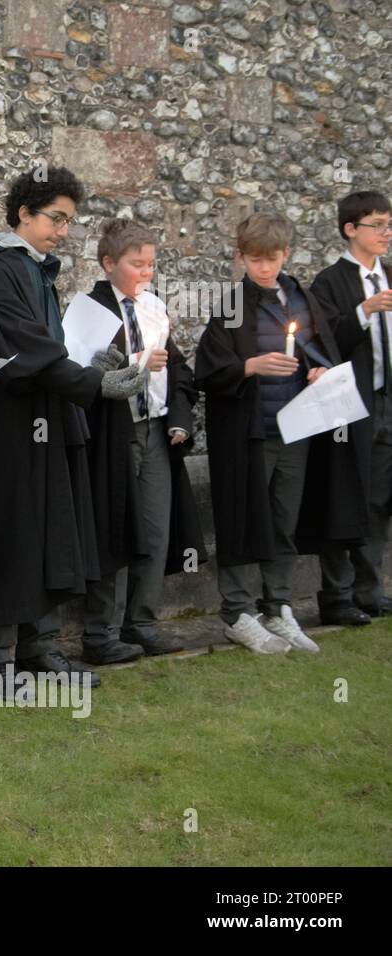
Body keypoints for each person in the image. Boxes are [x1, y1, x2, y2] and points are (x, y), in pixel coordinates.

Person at [0, 167, 146, 691]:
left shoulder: (35, 270)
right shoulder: (1, 272)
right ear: (23, 213)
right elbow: (26, 352)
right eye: (56, 218)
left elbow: (52, 346)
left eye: (69, 221)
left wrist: (92, 362)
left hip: (43, 424)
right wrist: (93, 383)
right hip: (7, 429)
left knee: (48, 535)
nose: (63, 230)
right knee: (11, 538)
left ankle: (40, 651)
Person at [194, 213, 342, 654]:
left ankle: (278, 607)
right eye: (254, 259)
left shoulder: (302, 298)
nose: (263, 268)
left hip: (296, 427)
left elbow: (323, 349)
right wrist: (250, 366)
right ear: (240, 256)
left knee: (283, 521)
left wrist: (321, 372)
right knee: (241, 518)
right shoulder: (232, 304)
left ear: (286, 255)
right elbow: (207, 370)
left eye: (271, 259)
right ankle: (238, 613)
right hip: (249, 432)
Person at [80, 219, 204, 665]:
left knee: (155, 528)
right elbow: (84, 373)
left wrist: (180, 419)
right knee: (113, 528)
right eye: (137, 265)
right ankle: (101, 632)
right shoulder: (88, 311)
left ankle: (143, 622)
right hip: (112, 435)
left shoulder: (154, 307)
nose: (146, 273)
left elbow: (181, 373)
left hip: (154, 431)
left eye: (151, 264)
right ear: (109, 263)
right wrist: (137, 361)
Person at [308, 190, 392, 625]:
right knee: (343, 493)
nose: (386, 233)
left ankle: (370, 589)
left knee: (378, 499)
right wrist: (363, 311)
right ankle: (337, 595)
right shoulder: (330, 282)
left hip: (387, 399)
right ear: (350, 230)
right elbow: (324, 343)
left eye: (388, 224)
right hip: (348, 405)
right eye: (376, 225)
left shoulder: (391, 274)